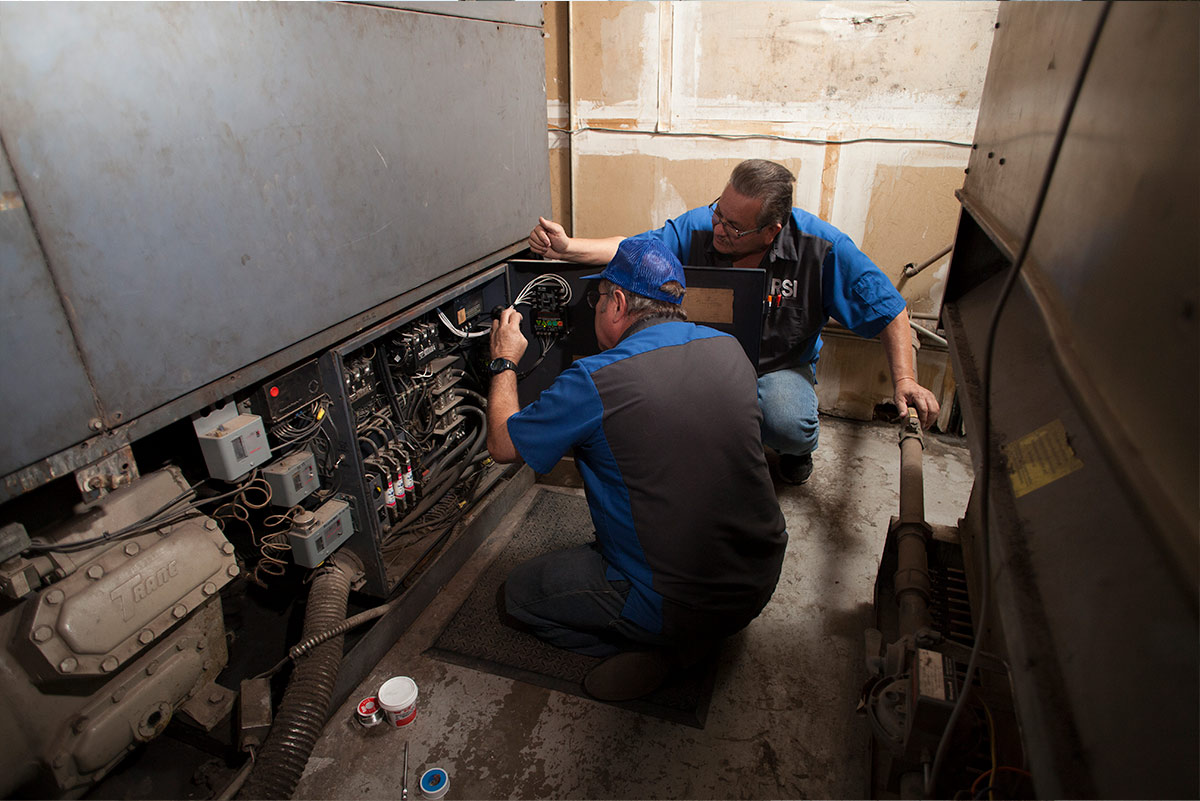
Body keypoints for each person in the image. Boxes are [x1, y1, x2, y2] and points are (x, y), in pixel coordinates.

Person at [486, 238, 788, 702]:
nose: (596, 307)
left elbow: (503, 445)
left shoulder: (595, 380)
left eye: (598, 297)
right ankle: (688, 634)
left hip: (677, 602)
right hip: (759, 578)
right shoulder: (731, 350)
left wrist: (504, 361)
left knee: (518, 597)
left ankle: (667, 651)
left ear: (619, 303)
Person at [528, 159, 940, 485]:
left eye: (733, 226)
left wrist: (904, 380)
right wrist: (569, 247)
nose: (718, 229)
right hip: (702, 357)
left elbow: (889, 307)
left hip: (776, 366)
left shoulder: (822, 248)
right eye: (718, 213)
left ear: (772, 230)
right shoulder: (699, 229)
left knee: (786, 421)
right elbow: (636, 248)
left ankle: (796, 451)